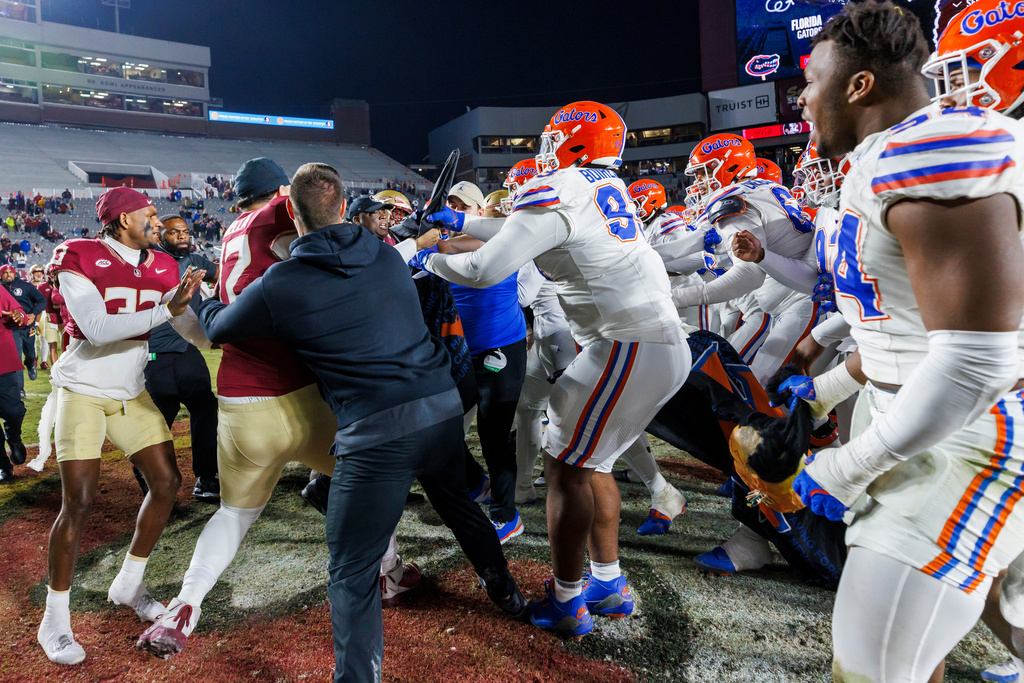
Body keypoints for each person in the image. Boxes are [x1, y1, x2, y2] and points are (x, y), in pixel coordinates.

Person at [189, 162, 526, 682]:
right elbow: (407, 251)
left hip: (376, 435)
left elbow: (218, 328)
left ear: (294, 220)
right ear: (346, 207)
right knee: (459, 507)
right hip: (439, 410)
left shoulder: (283, 282)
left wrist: (198, 297)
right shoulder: (387, 257)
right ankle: (505, 589)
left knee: (350, 572)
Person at [791, 3, 1024, 680]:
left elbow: (977, 358)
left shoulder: (931, 147)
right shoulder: (888, 157)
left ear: (858, 86)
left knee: (871, 667)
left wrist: (850, 463)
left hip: (968, 439)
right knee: (972, 628)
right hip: (931, 422)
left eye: (812, 79)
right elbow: (907, 325)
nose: (803, 98)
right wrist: (829, 391)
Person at [423, 101, 690, 638]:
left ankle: (568, 600)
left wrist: (426, 257)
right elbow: (519, 228)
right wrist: (461, 220)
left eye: (551, 141)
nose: (544, 152)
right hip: (648, 342)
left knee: (565, 468)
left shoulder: (562, 186)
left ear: (570, 144)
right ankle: (608, 583)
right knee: (593, 466)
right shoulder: (599, 186)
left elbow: (481, 267)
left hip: (625, 344)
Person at [135, 157, 341, 659]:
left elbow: (206, 331)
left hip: (239, 392)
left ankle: (186, 604)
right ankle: (390, 571)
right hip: (299, 389)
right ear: (279, 191)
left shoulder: (231, 233)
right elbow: (331, 243)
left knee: (234, 513)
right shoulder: (280, 214)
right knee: (366, 485)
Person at [38, 187, 205, 665]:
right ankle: (55, 618)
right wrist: (165, 310)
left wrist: (231, 331)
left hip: (129, 391)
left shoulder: (164, 265)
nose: (157, 221)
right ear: (122, 219)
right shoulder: (80, 255)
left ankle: (129, 584)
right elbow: (95, 326)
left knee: (168, 482)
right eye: (149, 214)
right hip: (83, 390)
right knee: (80, 501)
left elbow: (189, 325)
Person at [143, 216, 220, 502]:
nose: (182, 236)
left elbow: (224, 273)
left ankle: (207, 476)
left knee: (205, 404)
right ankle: (153, 476)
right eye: (174, 232)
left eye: (185, 231)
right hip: (154, 348)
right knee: (162, 412)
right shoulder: (146, 259)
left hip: (187, 346)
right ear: (159, 235)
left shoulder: (196, 260)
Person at [0, 263, 45, 390]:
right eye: (5, 272)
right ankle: (20, 389)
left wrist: (34, 314)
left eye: (10, 272)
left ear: (15, 273)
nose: (8, 274)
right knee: (16, 358)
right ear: (1, 275)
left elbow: (42, 300)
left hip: (28, 327)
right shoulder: (1, 289)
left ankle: (30, 365)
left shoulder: (26, 286)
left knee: (30, 354)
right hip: (11, 329)